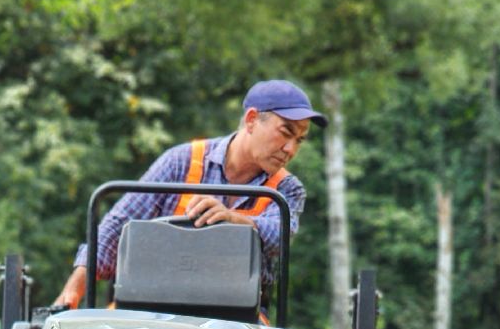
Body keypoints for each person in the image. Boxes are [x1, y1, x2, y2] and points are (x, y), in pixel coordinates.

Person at [54, 79, 325, 309]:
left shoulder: (287, 188)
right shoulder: (181, 161)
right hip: (147, 305)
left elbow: (280, 236)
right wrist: (74, 288)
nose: (290, 149)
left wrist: (232, 220)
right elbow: (116, 227)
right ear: (252, 120)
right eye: (285, 133)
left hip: (239, 318)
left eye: (299, 140)